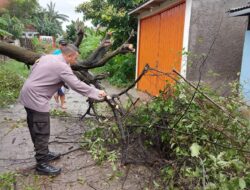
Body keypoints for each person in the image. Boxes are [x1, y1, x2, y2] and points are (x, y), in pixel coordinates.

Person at [19, 44, 106, 176]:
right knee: (42, 130)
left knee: (34, 125)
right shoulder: (61, 66)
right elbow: (76, 85)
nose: (75, 61)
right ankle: (41, 164)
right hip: (37, 98)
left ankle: (44, 153)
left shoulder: (48, 57)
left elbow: (37, 69)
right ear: (69, 55)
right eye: (75, 58)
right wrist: (96, 92)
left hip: (27, 93)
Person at [53, 39, 68, 109]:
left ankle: (62, 103)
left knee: (62, 91)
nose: (63, 46)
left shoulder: (67, 53)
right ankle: (57, 102)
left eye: (65, 45)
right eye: (62, 45)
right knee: (55, 93)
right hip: (55, 74)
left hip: (63, 74)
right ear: (59, 45)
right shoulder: (56, 52)